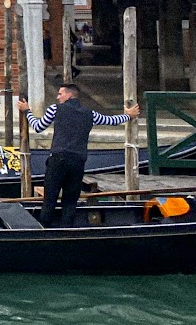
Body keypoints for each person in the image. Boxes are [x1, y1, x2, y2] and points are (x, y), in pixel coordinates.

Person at [19, 83, 140, 227]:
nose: (57, 97)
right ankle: (67, 230)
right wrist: (128, 115)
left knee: (50, 198)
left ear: (69, 95)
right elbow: (111, 121)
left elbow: (38, 127)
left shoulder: (55, 109)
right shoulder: (90, 114)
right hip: (78, 161)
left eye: (60, 94)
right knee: (70, 201)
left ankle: (44, 228)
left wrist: (27, 111)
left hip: (58, 159)